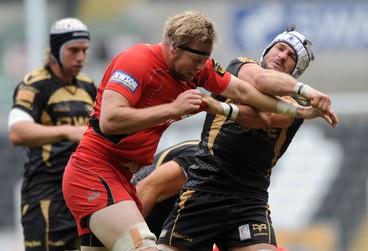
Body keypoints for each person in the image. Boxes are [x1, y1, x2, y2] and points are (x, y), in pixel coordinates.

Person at [61, 10, 334, 250]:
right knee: (143, 246)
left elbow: (249, 98)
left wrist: (300, 109)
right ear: (174, 46)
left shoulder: (197, 69)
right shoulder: (137, 61)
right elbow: (109, 121)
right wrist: (174, 108)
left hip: (245, 197)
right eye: (198, 57)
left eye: (292, 56)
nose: (202, 65)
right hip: (99, 171)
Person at [157, 25, 338, 251]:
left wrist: (222, 108)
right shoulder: (240, 66)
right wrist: (309, 91)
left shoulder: (298, 105)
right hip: (204, 190)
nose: (282, 56)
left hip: (250, 201)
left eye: (291, 56)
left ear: (296, 69)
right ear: (267, 50)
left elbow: (267, 117)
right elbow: (261, 81)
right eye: (280, 48)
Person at [7, 18, 95, 251]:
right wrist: (67, 131)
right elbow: (17, 132)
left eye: (84, 51)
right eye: (73, 50)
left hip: (82, 194)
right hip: (46, 197)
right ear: (56, 50)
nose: (80, 58)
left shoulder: (88, 86)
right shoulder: (35, 84)